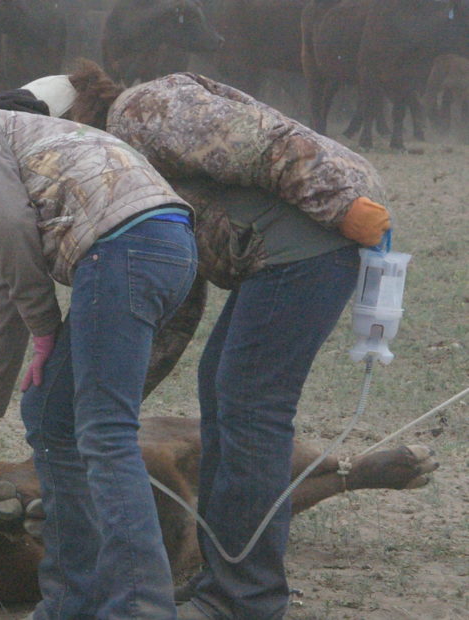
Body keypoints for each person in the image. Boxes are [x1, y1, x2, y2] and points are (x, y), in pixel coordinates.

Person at [40, 62, 392, 620]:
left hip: (312, 238)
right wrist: (101, 401)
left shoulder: (142, 110)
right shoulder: (127, 177)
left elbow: (259, 142)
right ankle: (228, 579)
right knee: (224, 391)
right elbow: (176, 307)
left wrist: (341, 203)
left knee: (248, 405)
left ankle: (245, 599)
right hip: (280, 254)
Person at [0, 93, 199, 618]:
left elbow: (7, 226)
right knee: (50, 412)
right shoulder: (28, 146)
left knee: (104, 432)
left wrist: (47, 332)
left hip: (123, 249)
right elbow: (12, 295)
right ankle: (73, 600)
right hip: (164, 247)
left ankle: (141, 608)